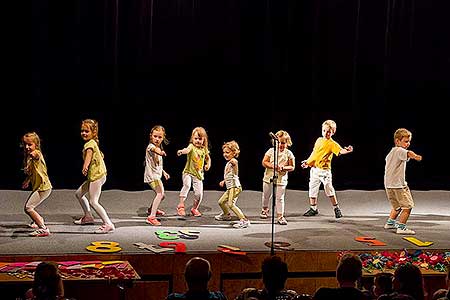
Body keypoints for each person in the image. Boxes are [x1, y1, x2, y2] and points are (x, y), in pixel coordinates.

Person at [301, 119, 353, 219]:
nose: (326, 133)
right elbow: (314, 154)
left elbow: (340, 151)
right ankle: (313, 208)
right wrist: (307, 162)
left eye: (329, 131)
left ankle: (336, 208)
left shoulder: (332, 144)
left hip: (325, 172)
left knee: (329, 189)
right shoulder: (318, 140)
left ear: (333, 132)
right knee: (312, 188)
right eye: (324, 131)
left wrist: (347, 151)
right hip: (315, 170)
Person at [73, 119, 115, 234]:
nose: (84, 133)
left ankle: (108, 223)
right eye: (82, 131)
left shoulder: (90, 144)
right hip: (95, 175)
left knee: (93, 201)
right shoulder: (94, 142)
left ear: (93, 132)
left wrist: (85, 166)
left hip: (97, 176)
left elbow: (89, 155)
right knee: (79, 194)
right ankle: (88, 217)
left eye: (87, 131)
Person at [383, 128, 422, 235]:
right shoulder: (400, 150)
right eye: (405, 141)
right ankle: (402, 227)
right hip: (398, 185)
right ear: (397, 141)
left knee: (397, 207)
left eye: (409, 141)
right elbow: (408, 153)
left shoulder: (391, 152)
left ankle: (390, 223)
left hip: (389, 185)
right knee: (408, 206)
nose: (408, 144)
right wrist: (415, 156)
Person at [260, 130, 295, 225]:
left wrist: (283, 168)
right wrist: (272, 166)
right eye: (278, 142)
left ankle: (280, 216)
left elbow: (292, 166)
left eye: (283, 143)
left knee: (280, 198)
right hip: (269, 177)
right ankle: (265, 209)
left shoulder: (289, 153)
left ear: (287, 143)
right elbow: (264, 162)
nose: (280, 145)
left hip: (281, 179)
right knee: (266, 195)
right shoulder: (271, 151)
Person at [21, 132, 52, 237]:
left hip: (43, 187)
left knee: (28, 207)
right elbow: (33, 172)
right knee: (31, 206)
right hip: (39, 187)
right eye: (25, 144)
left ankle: (43, 229)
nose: (27, 147)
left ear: (36, 145)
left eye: (30, 144)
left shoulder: (36, 153)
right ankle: (38, 220)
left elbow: (36, 155)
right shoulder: (28, 158)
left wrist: (32, 154)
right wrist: (27, 180)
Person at [176, 127, 211, 217]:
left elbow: (208, 158)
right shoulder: (191, 146)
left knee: (199, 194)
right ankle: (181, 206)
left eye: (200, 139)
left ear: (204, 140)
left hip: (198, 175)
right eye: (195, 139)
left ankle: (194, 208)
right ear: (192, 139)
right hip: (188, 172)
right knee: (187, 185)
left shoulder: (204, 149)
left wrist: (208, 165)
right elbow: (187, 150)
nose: (197, 141)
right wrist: (181, 151)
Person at [214, 140, 250, 229]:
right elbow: (230, 175)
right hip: (230, 187)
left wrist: (233, 161)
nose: (225, 154)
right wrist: (224, 181)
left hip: (235, 187)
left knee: (231, 204)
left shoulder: (233, 161)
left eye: (227, 152)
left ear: (234, 153)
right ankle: (226, 214)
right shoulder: (228, 163)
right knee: (221, 202)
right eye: (224, 152)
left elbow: (235, 165)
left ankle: (244, 220)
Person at [144, 125, 170, 226]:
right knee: (160, 194)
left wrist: (164, 172)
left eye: (159, 137)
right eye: (155, 136)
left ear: (163, 138)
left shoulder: (158, 147)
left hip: (157, 176)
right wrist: (161, 152)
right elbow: (156, 151)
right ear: (151, 136)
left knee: (161, 195)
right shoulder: (151, 147)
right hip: (152, 177)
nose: (157, 139)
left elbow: (157, 164)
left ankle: (151, 209)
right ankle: (151, 217)